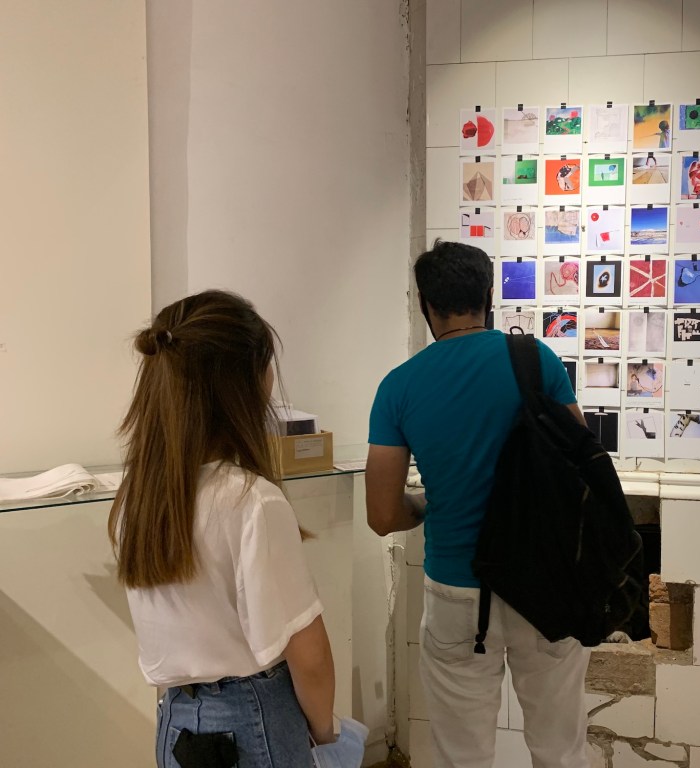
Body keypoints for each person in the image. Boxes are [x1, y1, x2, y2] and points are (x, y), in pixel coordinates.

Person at [365, 241, 591, 768]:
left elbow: (382, 516)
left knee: (460, 756)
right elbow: (580, 466)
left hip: (458, 590)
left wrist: (429, 504)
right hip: (544, 581)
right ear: (489, 296)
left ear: (425, 303)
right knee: (561, 749)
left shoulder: (398, 387)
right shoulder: (536, 360)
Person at [109, 290, 335, 767]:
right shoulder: (252, 500)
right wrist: (323, 731)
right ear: (244, 383)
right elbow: (310, 654)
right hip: (254, 720)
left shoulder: (137, 498)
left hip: (176, 722)